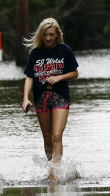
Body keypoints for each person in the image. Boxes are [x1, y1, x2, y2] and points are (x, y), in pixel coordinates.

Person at [22, 18, 79, 182]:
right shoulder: (35, 53)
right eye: (45, 35)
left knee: (56, 136)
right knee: (47, 138)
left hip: (60, 96)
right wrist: (25, 98)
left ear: (57, 35)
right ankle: (51, 169)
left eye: (51, 35)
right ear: (41, 35)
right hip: (41, 98)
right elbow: (29, 78)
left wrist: (59, 77)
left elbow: (75, 73)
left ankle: (56, 173)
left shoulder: (65, 50)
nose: (48, 38)